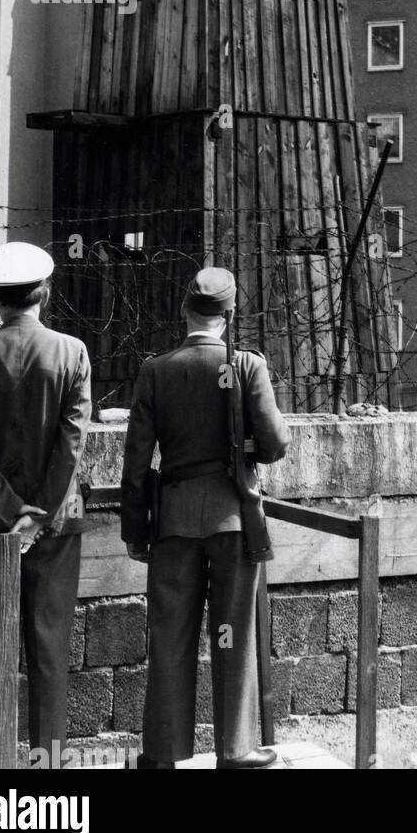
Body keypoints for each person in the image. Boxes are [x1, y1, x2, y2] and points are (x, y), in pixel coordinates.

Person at [121, 267, 290, 770]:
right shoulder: (246, 366)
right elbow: (277, 444)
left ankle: (161, 753)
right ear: (231, 315)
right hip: (234, 517)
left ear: (184, 311)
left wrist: (135, 528)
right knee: (232, 630)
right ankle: (235, 749)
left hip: (171, 521)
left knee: (169, 634)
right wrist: (243, 450)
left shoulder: (157, 369)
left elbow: (136, 461)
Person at [0, 242, 91, 769]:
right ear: (45, 294)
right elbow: (73, 442)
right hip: (55, 528)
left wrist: (9, 510)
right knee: (50, 656)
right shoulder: (74, 351)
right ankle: (46, 773)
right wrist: (39, 512)